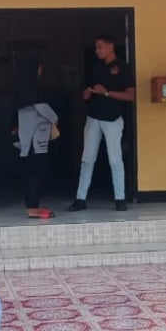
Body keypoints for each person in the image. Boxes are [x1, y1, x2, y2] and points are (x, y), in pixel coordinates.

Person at [67, 34, 135, 212]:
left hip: (113, 119)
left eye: (100, 47)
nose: (97, 50)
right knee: (87, 159)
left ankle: (120, 198)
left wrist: (107, 93)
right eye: (96, 47)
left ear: (110, 46)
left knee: (115, 159)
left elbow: (131, 95)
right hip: (93, 117)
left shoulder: (123, 68)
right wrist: (87, 94)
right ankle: (80, 199)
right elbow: (88, 91)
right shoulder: (95, 67)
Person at [13, 55, 58, 219]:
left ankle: (34, 205)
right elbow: (42, 108)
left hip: (35, 138)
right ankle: (32, 208)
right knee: (33, 172)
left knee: (35, 172)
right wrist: (55, 118)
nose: (41, 70)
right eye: (39, 67)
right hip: (32, 139)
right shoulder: (29, 89)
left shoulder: (27, 87)